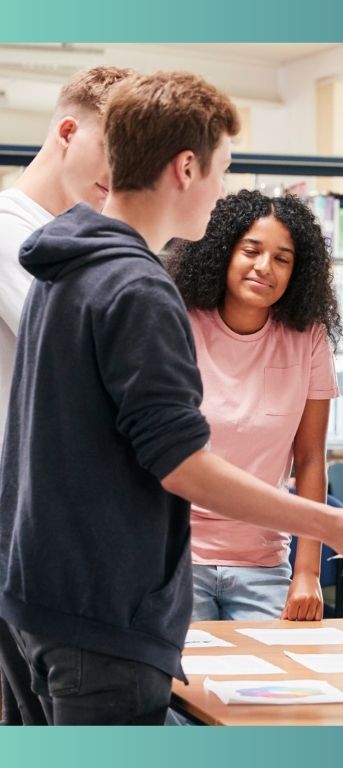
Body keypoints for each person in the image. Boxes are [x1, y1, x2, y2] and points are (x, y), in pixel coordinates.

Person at [0, 70, 343, 725]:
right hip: (105, 616)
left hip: (44, 601)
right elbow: (183, 464)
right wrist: (338, 526)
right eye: (222, 170)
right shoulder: (136, 291)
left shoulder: (66, 266)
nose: (221, 192)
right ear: (187, 167)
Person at [0, 64, 134, 726]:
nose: (121, 176)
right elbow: (93, 361)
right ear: (67, 130)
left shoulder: (70, 241)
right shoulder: (12, 232)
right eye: (113, 152)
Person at [167, 190, 342, 622]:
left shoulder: (309, 337)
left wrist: (307, 572)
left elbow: (310, 459)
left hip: (264, 563)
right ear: (224, 252)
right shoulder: (178, 321)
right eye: (251, 251)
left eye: (282, 259)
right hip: (176, 558)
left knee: (276, 685)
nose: (265, 267)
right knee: (184, 689)